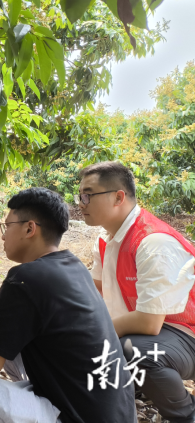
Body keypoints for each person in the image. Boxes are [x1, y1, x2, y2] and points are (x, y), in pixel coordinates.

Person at [0, 187, 136, 423]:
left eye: (6, 226)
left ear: (30, 228)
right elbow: (5, 334)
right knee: (9, 347)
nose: (2, 235)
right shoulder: (74, 266)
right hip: (110, 412)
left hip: (74, 416)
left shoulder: (25, 278)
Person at [78, 161, 195, 423]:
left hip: (185, 331)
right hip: (160, 330)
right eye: (80, 196)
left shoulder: (153, 241)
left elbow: (149, 322)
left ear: (118, 197)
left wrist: (92, 332)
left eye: (87, 195)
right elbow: (92, 291)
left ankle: (186, 415)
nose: (81, 203)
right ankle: (135, 388)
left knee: (133, 350)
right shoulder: (107, 238)